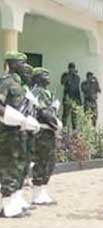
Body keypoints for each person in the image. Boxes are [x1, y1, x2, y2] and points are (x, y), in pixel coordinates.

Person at [0, 52, 34, 218]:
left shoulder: (19, 85)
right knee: (8, 167)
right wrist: (17, 118)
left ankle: (12, 202)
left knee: (17, 167)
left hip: (18, 131)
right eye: (21, 63)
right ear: (12, 64)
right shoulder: (6, 82)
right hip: (7, 132)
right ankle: (6, 206)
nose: (24, 66)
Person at [29, 67, 59, 206]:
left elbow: (51, 110)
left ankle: (43, 190)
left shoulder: (49, 93)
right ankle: (37, 193)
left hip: (50, 131)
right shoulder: (37, 92)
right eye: (44, 75)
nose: (48, 77)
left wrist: (53, 113)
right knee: (41, 161)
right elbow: (43, 112)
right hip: (42, 131)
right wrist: (56, 123)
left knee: (49, 161)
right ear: (38, 78)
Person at [60, 62, 82, 130]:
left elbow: (77, 88)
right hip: (67, 98)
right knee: (65, 116)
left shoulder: (77, 77)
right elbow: (62, 82)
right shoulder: (65, 75)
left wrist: (79, 100)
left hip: (75, 99)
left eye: (73, 68)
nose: (72, 69)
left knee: (74, 116)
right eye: (71, 68)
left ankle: (74, 131)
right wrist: (69, 75)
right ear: (69, 68)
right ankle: (64, 130)